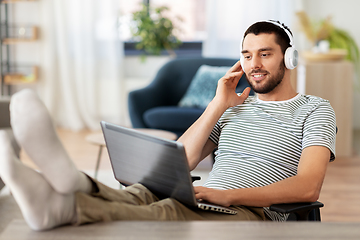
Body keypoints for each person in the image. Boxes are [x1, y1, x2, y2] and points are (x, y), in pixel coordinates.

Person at [0, 20, 336, 231]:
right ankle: (74, 185)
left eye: (265, 54)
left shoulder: (315, 110)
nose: (254, 64)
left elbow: (307, 187)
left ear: (288, 58)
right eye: (247, 55)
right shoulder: (234, 108)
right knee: (143, 191)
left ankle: (65, 204)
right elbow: (184, 161)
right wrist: (218, 104)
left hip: (251, 211)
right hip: (207, 196)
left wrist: (229, 196)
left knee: (166, 211)